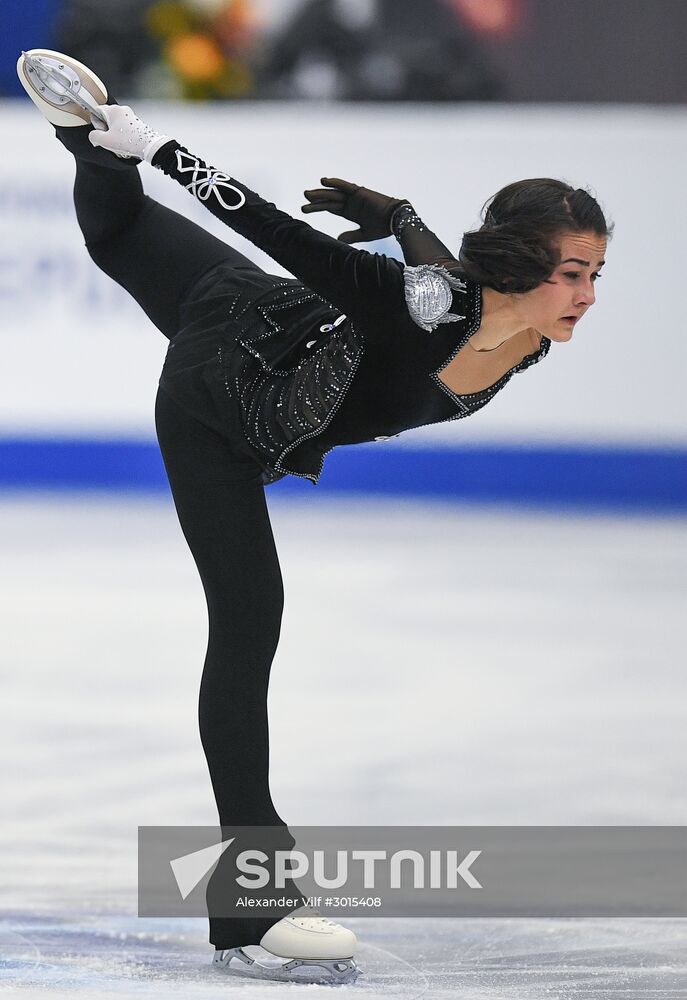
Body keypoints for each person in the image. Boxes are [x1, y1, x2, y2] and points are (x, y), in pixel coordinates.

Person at [17, 48, 611, 986]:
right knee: (250, 625)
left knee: (120, 234)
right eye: (573, 273)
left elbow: (437, 276)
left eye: (595, 275)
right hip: (216, 406)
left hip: (256, 330)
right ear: (527, 264)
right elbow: (284, 237)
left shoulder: (522, 334)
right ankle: (249, 914)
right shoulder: (430, 306)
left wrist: (403, 218)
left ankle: (77, 138)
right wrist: (157, 147)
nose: (585, 297)